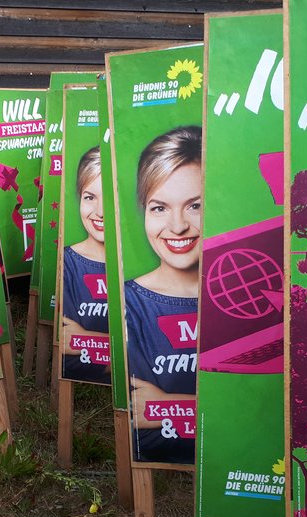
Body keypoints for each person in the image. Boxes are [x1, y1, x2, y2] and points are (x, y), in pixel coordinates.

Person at [124, 126, 201, 464]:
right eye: (159, 208)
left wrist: (168, 406)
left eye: (195, 205)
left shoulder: (249, 303)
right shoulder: (128, 303)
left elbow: (259, 410)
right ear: (143, 210)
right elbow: (135, 408)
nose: (178, 225)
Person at [60, 146, 110, 384]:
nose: (100, 212)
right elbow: (68, 357)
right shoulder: (67, 263)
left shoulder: (145, 270)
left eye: (109, 197)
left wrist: (86, 339)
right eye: (90, 197)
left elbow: (154, 361)